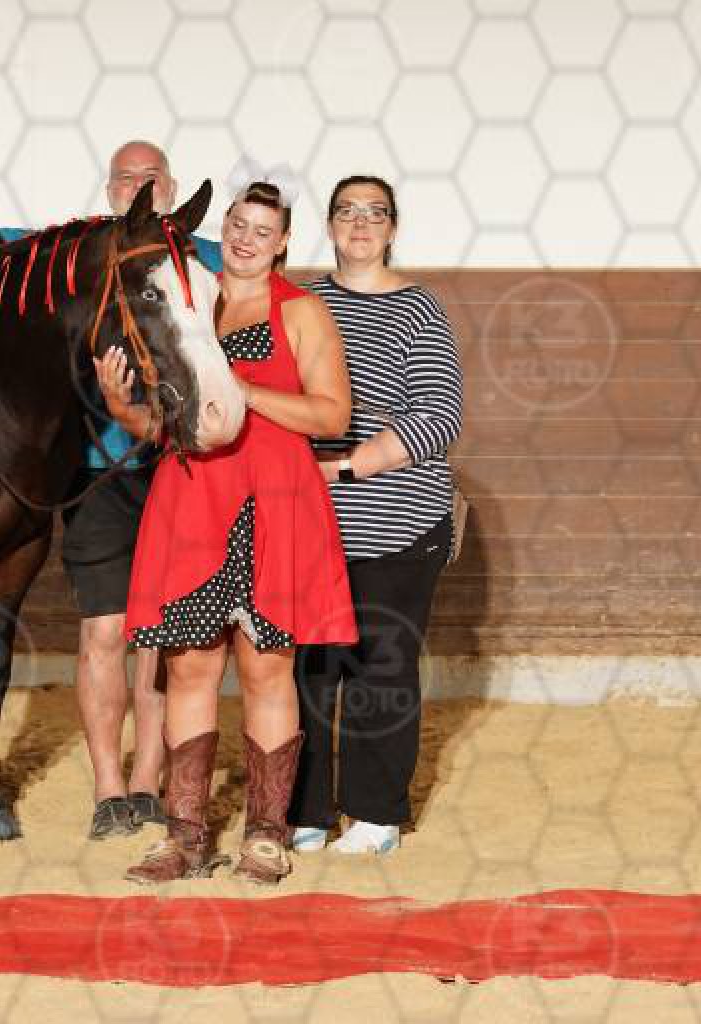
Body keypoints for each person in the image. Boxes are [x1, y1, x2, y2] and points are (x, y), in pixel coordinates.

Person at [0, 144, 225, 842]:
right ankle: (108, 789)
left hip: (176, 471)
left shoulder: (198, 256)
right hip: (96, 472)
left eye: (151, 179)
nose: (139, 188)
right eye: (127, 179)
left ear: (171, 190)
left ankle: (147, 781)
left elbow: (240, 263)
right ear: (113, 190)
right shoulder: (72, 254)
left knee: (166, 642)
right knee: (106, 632)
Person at [99, 181, 355, 886]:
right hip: (193, 500)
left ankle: (266, 836)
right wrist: (121, 407)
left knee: (268, 667)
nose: (246, 238)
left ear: (283, 242)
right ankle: (184, 837)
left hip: (273, 502)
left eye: (262, 230)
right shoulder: (193, 303)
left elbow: (332, 415)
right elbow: (164, 426)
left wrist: (247, 394)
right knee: (188, 667)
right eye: (238, 224)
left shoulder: (300, 311)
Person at [291, 176, 464, 856]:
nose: (360, 223)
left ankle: (374, 815)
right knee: (309, 669)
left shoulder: (419, 309)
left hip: (398, 522)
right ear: (330, 224)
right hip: (312, 523)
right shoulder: (304, 304)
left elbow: (438, 416)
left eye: (375, 213)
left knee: (380, 667)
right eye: (347, 211)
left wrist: (345, 468)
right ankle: (305, 810)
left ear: (393, 228)